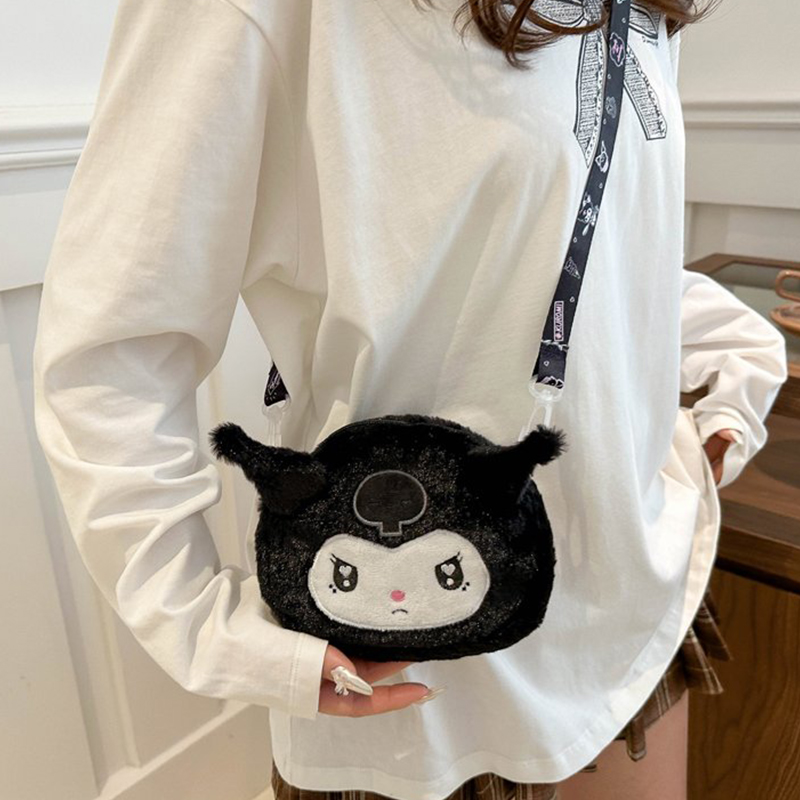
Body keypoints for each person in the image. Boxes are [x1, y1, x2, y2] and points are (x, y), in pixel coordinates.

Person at [32, 1, 788, 799]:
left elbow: (596, 240)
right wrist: (208, 630)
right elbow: (109, 358)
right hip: (417, 680)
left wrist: (733, 363)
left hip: (634, 604)